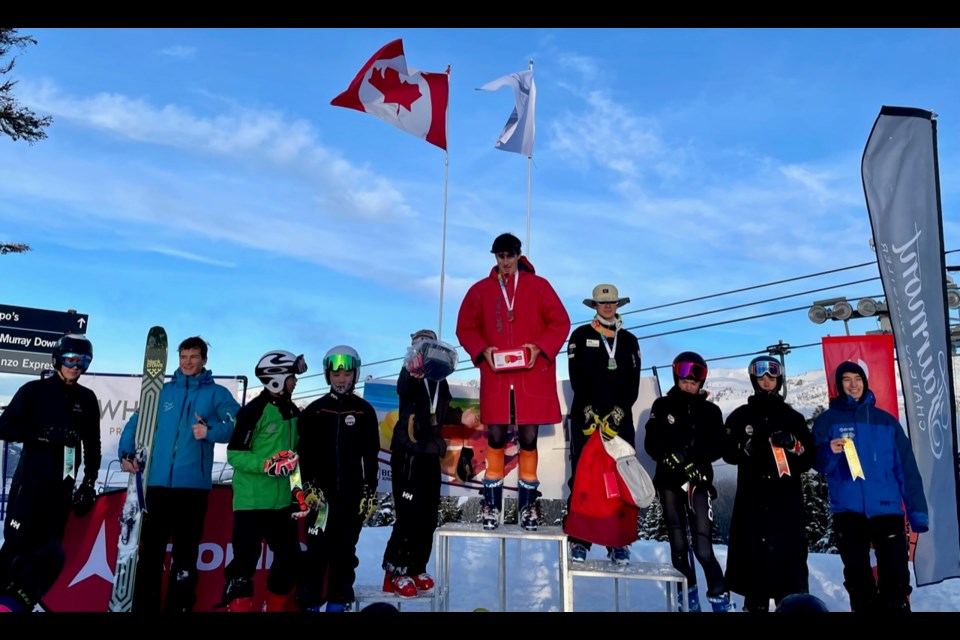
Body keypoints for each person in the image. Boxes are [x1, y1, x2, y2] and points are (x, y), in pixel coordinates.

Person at [456, 232, 571, 531]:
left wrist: (539, 348)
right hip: (496, 378)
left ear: (519, 255)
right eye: (500, 256)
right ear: (494, 257)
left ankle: (527, 505)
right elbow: (466, 327)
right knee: (495, 437)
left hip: (531, 375)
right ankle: (490, 503)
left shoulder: (539, 285)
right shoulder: (480, 290)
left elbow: (560, 322)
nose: (505, 262)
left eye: (510, 256)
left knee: (528, 439)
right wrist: (482, 349)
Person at [118, 335, 239, 612]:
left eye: (193, 357)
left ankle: (179, 607)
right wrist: (126, 454)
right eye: (183, 357)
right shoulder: (161, 392)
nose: (187, 362)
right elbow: (135, 424)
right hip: (157, 487)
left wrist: (210, 431)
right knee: (150, 555)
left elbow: (237, 422)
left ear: (204, 360)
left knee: (185, 558)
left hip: (191, 490)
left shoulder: (216, 393)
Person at [812, 361, 928, 612]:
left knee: (895, 578)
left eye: (857, 378)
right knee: (857, 579)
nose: (853, 384)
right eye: (846, 380)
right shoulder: (827, 421)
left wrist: (917, 512)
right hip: (848, 512)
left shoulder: (886, 422)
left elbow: (906, 469)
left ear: (865, 382)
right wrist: (829, 451)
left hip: (887, 511)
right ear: (839, 385)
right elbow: (818, 464)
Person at [0, 334, 101, 612]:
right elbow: (4, 426)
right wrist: (42, 436)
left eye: (83, 361)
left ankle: (17, 605)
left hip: (62, 486)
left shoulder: (87, 399)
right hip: (30, 484)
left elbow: (93, 444)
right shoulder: (34, 391)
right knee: (16, 548)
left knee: (47, 553)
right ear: (57, 358)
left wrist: (89, 483)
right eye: (70, 358)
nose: (76, 366)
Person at [722, 356, 815, 612]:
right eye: (761, 378)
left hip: (785, 506)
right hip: (752, 505)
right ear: (754, 380)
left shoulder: (793, 417)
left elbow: (809, 458)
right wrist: (745, 447)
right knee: (755, 581)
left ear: (778, 380)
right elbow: (727, 452)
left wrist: (793, 444)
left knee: (790, 582)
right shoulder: (741, 416)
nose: (766, 382)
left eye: (771, 377)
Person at [220, 350, 307, 612]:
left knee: (290, 558)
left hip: (281, 504)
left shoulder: (291, 410)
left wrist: (298, 492)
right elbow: (234, 455)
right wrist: (267, 465)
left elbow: (293, 458)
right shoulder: (253, 411)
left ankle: (275, 606)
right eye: (292, 377)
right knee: (244, 563)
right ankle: (239, 607)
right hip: (252, 503)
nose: (295, 382)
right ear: (277, 379)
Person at [643, 351, 731, 612]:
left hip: (698, 481)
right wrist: (667, 456)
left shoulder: (711, 411)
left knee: (703, 546)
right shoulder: (662, 406)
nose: (689, 386)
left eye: (694, 383)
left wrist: (692, 458)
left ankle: (719, 597)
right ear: (676, 378)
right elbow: (652, 440)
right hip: (669, 481)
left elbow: (718, 445)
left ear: (701, 384)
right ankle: (687, 597)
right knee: (678, 543)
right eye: (685, 382)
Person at [296, 345, 380, 613]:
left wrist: (369, 491)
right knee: (316, 555)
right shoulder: (315, 411)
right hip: (319, 499)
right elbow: (303, 454)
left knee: (344, 555)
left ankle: (337, 606)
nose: (341, 379)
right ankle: (309, 606)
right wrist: (306, 486)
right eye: (336, 374)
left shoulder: (364, 411)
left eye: (346, 374)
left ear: (355, 374)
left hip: (351, 497)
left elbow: (371, 456)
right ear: (327, 376)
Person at [565, 284, 641, 566]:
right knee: (584, 479)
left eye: (611, 303)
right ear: (594, 306)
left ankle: (618, 542)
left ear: (618, 305)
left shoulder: (630, 340)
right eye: (601, 303)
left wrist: (619, 411)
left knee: (620, 480)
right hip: (587, 418)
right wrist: (589, 412)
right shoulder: (581, 336)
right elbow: (577, 379)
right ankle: (580, 540)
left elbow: (632, 383)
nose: (607, 307)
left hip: (620, 420)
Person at [381, 329, 455, 598]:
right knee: (409, 515)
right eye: (418, 345)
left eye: (428, 344)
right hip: (408, 454)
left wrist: (468, 417)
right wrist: (412, 368)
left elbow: (443, 410)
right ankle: (394, 572)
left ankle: (416, 567)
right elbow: (404, 387)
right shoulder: (409, 374)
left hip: (430, 455)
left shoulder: (439, 380)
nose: (422, 349)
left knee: (427, 516)